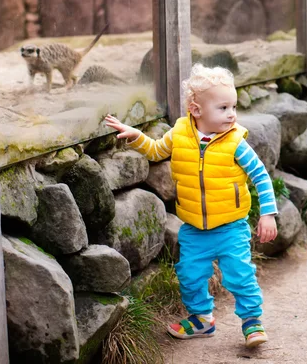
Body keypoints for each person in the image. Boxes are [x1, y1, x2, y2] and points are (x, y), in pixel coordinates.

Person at [104, 63, 278, 348]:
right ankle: (202, 320)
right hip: (195, 228)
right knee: (189, 274)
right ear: (196, 110)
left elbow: (260, 176)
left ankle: (252, 322)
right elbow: (157, 150)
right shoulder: (180, 133)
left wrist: (268, 214)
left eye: (233, 106)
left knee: (239, 274)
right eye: (223, 108)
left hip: (231, 226)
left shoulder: (235, 142)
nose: (232, 114)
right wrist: (136, 136)